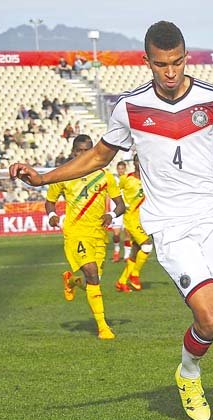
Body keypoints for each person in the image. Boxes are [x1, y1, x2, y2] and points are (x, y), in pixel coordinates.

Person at [9, 21, 213, 420]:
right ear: (146, 62)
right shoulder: (129, 108)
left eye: (179, 62)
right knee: (211, 317)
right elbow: (97, 157)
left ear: (187, 57)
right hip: (169, 225)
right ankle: (188, 372)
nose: (171, 72)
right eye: (162, 64)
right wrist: (42, 179)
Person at [42, 135, 125, 340]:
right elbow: (50, 201)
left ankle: (72, 281)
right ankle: (103, 327)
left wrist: (111, 215)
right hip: (76, 232)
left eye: (87, 150)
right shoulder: (64, 175)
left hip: (98, 234)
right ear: (73, 152)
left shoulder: (105, 176)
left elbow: (120, 205)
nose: (83, 154)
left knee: (91, 282)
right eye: (79, 150)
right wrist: (52, 215)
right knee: (92, 273)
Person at [115, 155, 151, 292]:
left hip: (144, 219)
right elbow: (115, 192)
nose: (139, 163)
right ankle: (134, 275)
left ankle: (122, 281)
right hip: (131, 219)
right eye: (137, 161)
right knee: (147, 246)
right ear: (134, 163)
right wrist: (122, 204)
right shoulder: (126, 179)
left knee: (136, 250)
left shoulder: (150, 180)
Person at [110, 161, 128, 262]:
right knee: (116, 235)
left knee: (127, 233)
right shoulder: (114, 180)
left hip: (127, 210)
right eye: (119, 168)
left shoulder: (128, 179)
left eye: (122, 168)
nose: (120, 170)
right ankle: (116, 252)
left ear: (125, 169)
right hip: (116, 210)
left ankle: (127, 255)